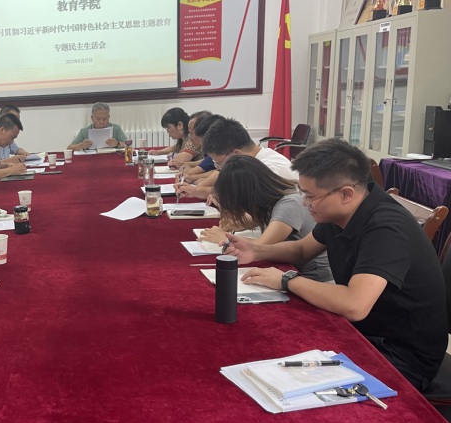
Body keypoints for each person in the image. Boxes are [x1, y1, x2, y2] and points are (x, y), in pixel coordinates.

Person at [224, 139, 447, 391]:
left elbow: (354, 305)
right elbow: (302, 250)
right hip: (365, 330)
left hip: (398, 354)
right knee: (266, 341)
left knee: (279, 367)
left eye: (310, 196)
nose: (305, 203)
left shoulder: (385, 227)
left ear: (346, 194)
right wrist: (256, 249)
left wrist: (287, 280)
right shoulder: (341, 212)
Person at [199, 155, 332, 281]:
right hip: (291, 269)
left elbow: (262, 246)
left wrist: (224, 238)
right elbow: (253, 222)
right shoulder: (272, 200)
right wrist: (238, 223)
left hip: (311, 276)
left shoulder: (289, 204)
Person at [177, 117, 296, 200]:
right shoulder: (254, 161)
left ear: (236, 154)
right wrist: (195, 191)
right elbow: (232, 192)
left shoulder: (268, 169)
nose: (219, 169)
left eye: (219, 164)